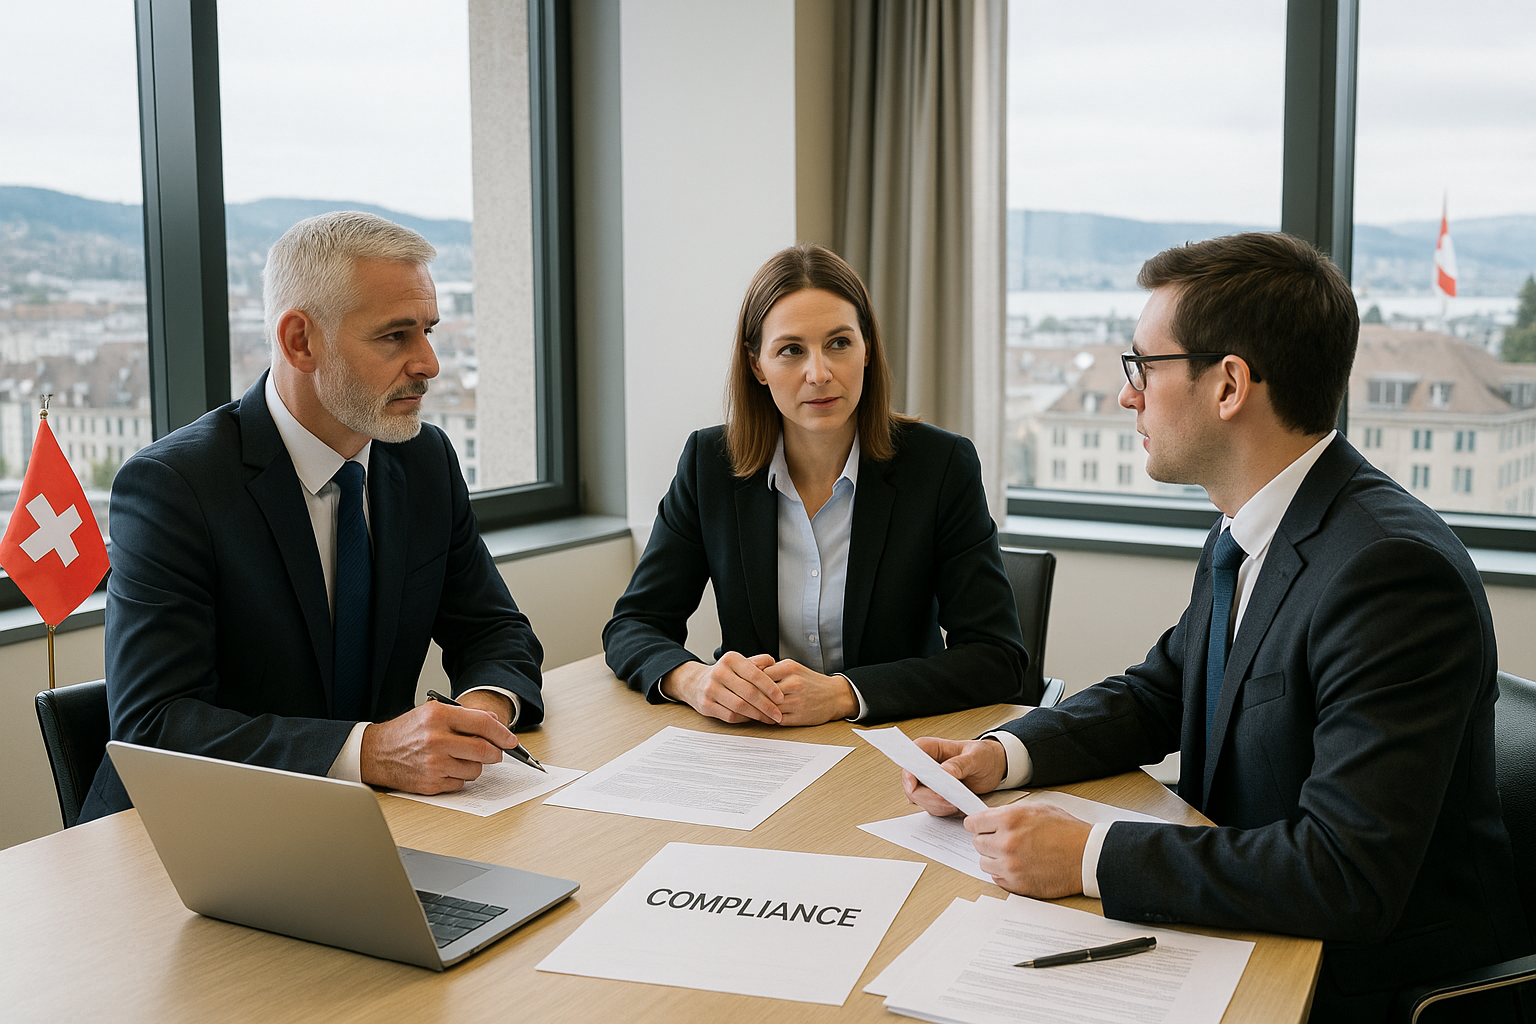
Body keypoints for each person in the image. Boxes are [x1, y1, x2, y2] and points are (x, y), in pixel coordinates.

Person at [903, 232, 1530, 1022]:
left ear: (1229, 384)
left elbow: (1346, 874)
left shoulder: (1392, 574)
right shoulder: (1250, 522)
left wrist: (1089, 855)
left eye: (1143, 366)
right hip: (1241, 928)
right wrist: (1003, 754)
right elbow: (1162, 688)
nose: (1127, 394)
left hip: (1355, 984)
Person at [79, 212, 543, 821]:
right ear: (300, 341)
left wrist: (484, 711)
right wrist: (369, 751)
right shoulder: (174, 487)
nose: (429, 363)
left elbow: (492, 629)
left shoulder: (422, 459)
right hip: (183, 835)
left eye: (428, 331)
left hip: (376, 821)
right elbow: (156, 724)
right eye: (395, 336)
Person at [603, 243, 1030, 726]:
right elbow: (633, 625)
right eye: (791, 350)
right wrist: (692, 679)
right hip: (754, 749)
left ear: (867, 349)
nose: (819, 373)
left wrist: (845, 695)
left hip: (892, 744)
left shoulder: (939, 465)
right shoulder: (709, 466)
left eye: (839, 343)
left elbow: (998, 658)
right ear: (757, 365)